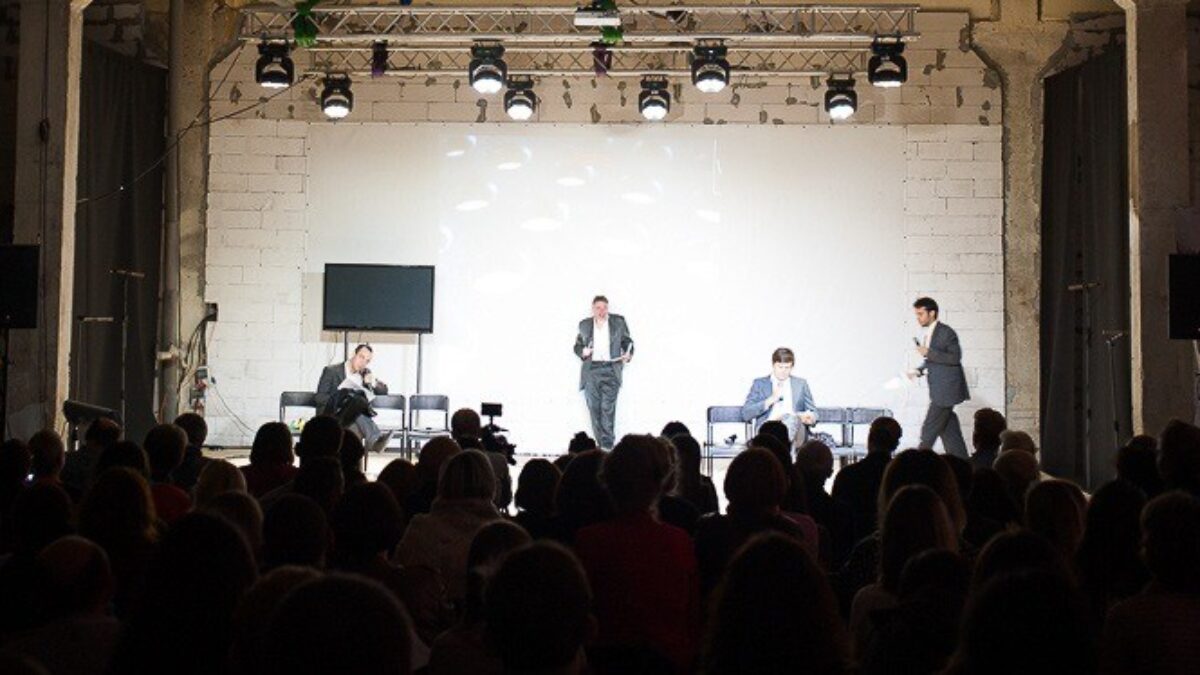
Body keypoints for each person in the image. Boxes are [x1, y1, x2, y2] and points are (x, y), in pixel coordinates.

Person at [907, 297, 970, 458]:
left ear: (932, 313)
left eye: (921, 314)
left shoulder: (946, 332)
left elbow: (954, 358)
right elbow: (934, 361)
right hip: (940, 391)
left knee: (928, 431)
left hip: (946, 392)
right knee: (950, 432)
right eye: (917, 314)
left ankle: (916, 464)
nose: (918, 318)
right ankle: (962, 463)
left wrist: (928, 352)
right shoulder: (931, 333)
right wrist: (919, 371)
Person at [573, 295, 634, 449]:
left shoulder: (618, 322)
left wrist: (628, 354)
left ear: (608, 308)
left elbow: (628, 342)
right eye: (598, 308)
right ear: (593, 309)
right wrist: (583, 351)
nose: (601, 311)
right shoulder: (584, 325)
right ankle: (602, 448)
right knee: (594, 410)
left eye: (604, 307)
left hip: (611, 369)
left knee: (607, 410)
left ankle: (607, 447)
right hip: (591, 371)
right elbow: (577, 346)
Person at [315, 343, 392, 451]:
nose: (363, 363)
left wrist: (373, 383)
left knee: (357, 407)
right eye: (361, 357)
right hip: (332, 414)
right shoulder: (331, 371)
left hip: (351, 416)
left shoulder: (365, 374)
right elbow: (319, 398)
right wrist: (340, 398)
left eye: (367, 361)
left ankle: (368, 445)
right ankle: (375, 440)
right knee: (357, 403)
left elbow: (384, 391)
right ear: (353, 354)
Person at [740, 348, 817, 443]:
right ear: (773, 365)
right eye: (780, 367)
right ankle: (783, 447)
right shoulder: (760, 384)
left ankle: (780, 445)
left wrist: (810, 418)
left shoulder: (800, 384)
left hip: (795, 429)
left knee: (790, 419)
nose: (783, 371)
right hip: (767, 427)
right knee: (777, 430)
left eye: (787, 368)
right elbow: (746, 413)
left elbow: (813, 411)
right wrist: (769, 400)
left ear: (792, 367)